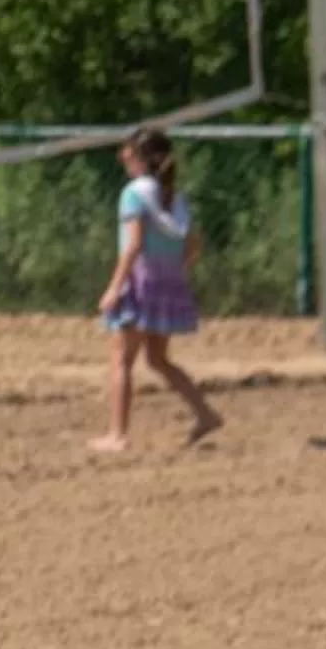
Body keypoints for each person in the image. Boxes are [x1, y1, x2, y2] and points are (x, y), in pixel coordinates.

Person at [93, 124, 222, 452]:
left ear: (141, 159)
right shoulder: (173, 198)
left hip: (139, 282)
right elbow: (193, 244)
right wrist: (176, 272)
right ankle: (204, 413)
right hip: (166, 282)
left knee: (121, 359)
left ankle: (117, 435)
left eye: (129, 152)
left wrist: (113, 287)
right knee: (159, 359)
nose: (123, 156)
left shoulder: (133, 194)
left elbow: (133, 245)